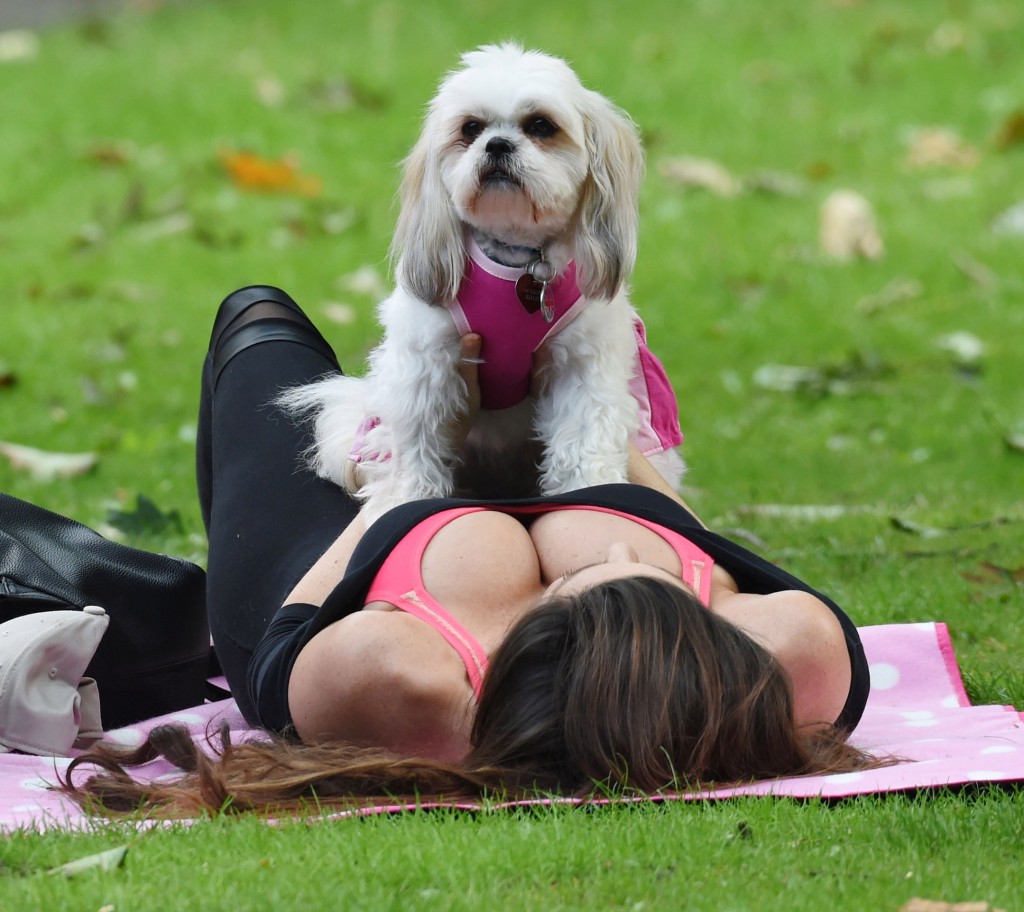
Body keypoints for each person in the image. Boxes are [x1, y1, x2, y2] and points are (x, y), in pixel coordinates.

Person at [61, 286, 877, 815]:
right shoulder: (790, 653)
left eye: (595, 575)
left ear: (537, 648)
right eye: (646, 571)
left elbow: (289, 637)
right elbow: (693, 535)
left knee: (257, 317)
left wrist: (411, 467)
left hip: (355, 552)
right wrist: (598, 402)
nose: (628, 558)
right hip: (580, 512)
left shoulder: (405, 681)